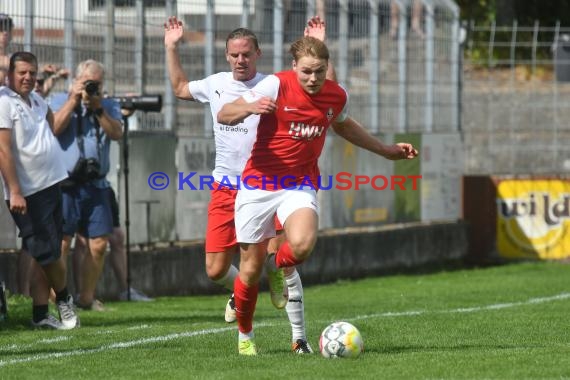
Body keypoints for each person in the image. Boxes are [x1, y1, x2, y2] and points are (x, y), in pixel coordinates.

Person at [217, 36, 419, 355]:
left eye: (320, 72)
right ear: (294, 66)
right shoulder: (274, 85)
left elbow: (344, 126)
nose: (313, 79)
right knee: (248, 271)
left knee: (302, 244)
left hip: (299, 184)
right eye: (307, 72)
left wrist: (386, 150)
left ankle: (277, 265)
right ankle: (245, 337)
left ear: (328, 69)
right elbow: (224, 114)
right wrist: (249, 106)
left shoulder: (336, 95)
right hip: (258, 185)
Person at [164, 15, 333, 354]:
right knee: (215, 270)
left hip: (271, 183)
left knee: (281, 257)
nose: (240, 60)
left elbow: (326, 98)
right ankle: (243, 287)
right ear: (227, 56)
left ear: (258, 53)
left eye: (246, 54)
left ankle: (298, 338)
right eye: (234, 55)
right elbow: (181, 88)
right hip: (227, 185)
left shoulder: (277, 84)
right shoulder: (215, 84)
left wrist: (318, 46)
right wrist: (170, 47)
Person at [0, 51, 78, 329]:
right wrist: (15, 190)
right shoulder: (4, 102)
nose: (28, 77)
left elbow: (54, 126)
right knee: (47, 253)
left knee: (50, 252)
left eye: (32, 73)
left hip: (52, 185)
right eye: (21, 72)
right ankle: (65, 298)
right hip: (28, 193)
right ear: (9, 74)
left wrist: (72, 98)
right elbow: (3, 149)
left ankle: (40, 313)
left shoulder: (36, 99)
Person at [50, 59, 123, 310]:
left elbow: (117, 133)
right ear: (76, 81)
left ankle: (86, 298)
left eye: (97, 83)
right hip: (66, 184)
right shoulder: (61, 100)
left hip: (97, 185)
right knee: (61, 242)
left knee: (99, 244)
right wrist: (74, 99)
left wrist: (98, 108)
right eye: (87, 82)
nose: (92, 87)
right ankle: (57, 297)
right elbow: (55, 128)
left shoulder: (108, 104)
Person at [72, 186, 153, 302]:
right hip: (79, 185)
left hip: (102, 186)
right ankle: (81, 295)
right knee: (83, 241)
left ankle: (126, 291)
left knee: (117, 237)